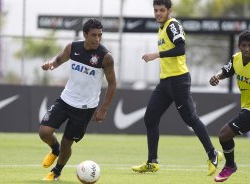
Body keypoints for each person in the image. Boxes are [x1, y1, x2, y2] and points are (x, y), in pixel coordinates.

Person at [131, 0, 222, 176]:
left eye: (161, 10)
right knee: (150, 118)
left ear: (169, 11)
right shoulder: (161, 27)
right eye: (156, 10)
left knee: (190, 119)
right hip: (165, 82)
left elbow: (180, 48)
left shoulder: (172, 25)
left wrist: (156, 55)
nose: (158, 13)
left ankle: (213, 154)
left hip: (178, 80)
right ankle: (152, 162)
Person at [38, 18, 116, 181]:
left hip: (85, 108)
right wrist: (50, 64)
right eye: (93, 35)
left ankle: (56, 172)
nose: (97, 39)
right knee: (44, 132)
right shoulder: (73, 47)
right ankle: (54, 149)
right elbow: (58, 60)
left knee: (68, 143)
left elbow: (112, 84)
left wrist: (103, 108)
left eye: (100, 35)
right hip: (66, 100)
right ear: (85, 34)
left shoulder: (105, 57)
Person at [209, 30, 250, 183]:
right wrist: (217, 76)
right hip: (248, 106)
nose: (247, 49)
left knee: (223, 134)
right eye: (244, 45)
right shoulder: (236, 59)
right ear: (239, 46)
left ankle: (230, 165)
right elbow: (226, 70)